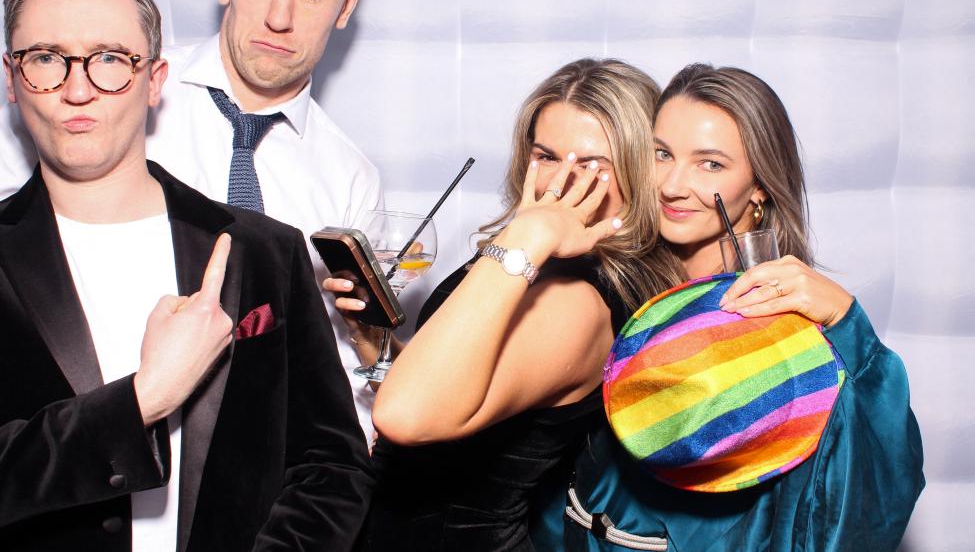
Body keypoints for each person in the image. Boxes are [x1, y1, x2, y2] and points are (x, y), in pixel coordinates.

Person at [0, 0, 372, 550]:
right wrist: (142, 400)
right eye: (46, 58)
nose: (78, 89)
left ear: (154, 80)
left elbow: (332, 466)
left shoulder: (264, 251)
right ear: (13, 80)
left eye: (110, 59)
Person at [561, 63, 924, 551]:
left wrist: (848, 325)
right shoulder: (609, 283)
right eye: (662, 154)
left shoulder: (793, 327)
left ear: (759, 185)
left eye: (710, 164)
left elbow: (867, 497)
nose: (672, 184)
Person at [325, 59, 672, 550]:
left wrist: (529, 232)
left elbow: (405, 415)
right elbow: (453, 396)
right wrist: (373, 338)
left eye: (594, 165)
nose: (559, 183)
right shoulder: (529, 262)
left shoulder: (575, 299)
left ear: (639, 172)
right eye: (546, 156)